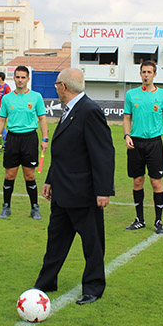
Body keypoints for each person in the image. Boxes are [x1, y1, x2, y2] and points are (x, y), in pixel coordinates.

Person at [34, 69, 115, 305]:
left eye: (57, 84)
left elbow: (103, 153)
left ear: (63, 87)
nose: (56, 87)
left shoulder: (89, 111)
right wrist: (50, 179)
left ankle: (93, 288)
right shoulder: (69, 111)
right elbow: (62, 152)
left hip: (83, 193)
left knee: (92, 243)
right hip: (62, 191)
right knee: (55, 240)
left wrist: (103, 190)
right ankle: (46, 282)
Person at [123, 60, 163, 235]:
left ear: (154, 74)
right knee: (138, 181)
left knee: (156, 182)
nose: (146, 75)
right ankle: (139, 219)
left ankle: (158, 221)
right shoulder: (131, 95)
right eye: (143, 72)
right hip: (136, 144)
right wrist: (127, 135)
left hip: (154, 143)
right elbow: (126, 118)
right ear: (140, 74)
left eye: (149, 72)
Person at [0, 66, 49, 221]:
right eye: (17, 77)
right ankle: (6, 206)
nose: (20, 80)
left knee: (29, 175)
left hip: (30, 139)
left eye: (23, 77)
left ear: (28, 79)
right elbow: (1, 120)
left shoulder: (36, 97)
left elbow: (42, 118)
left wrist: (44, 138)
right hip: (12, 139)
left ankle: (34, 207)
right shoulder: (6, 98)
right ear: (14, 78)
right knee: (9, 175)